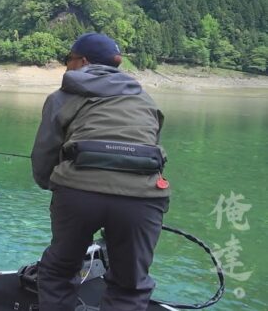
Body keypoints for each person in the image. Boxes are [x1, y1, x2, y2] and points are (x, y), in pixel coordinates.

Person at [31, 32, 171, 311]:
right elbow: (149, 143)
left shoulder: (61, 97)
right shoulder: (145, 100)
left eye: (67, 59)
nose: (65, 65)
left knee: (57, 272)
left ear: (82, 61)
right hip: (143, 197)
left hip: (78, 192)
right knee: (129, 286)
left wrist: (51, 184)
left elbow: (45, 153)